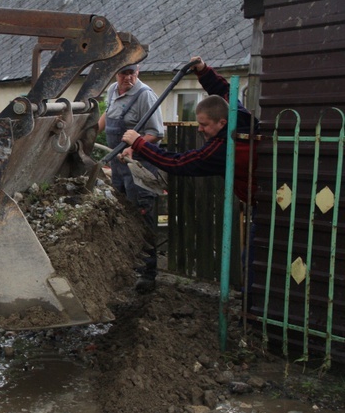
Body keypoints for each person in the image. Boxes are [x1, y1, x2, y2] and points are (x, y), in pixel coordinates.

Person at [121, 56, 259, 293]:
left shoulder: (223, 149)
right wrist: (204, 71)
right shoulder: (240, 118)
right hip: (269, 195)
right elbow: (223, 90)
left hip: (269, 202)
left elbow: (180, 163)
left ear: (222, 122)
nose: (200, 129)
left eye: (204, 125)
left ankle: (251, 315)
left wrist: (140, 144)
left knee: (254, 262)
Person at [98, 63, 164, 294]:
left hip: (138, 167)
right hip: (118, 167)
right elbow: (109, 114)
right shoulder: (112, 91)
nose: (128, 77)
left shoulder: (145, 95)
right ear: (115, 74)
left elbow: (156, 133)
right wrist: (90, 130)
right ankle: (127, 269)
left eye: (132, 73)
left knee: (142, 217)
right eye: (123, 73)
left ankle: (147, 274)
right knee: (123, 215)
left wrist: (134, 148)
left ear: (138, 72)